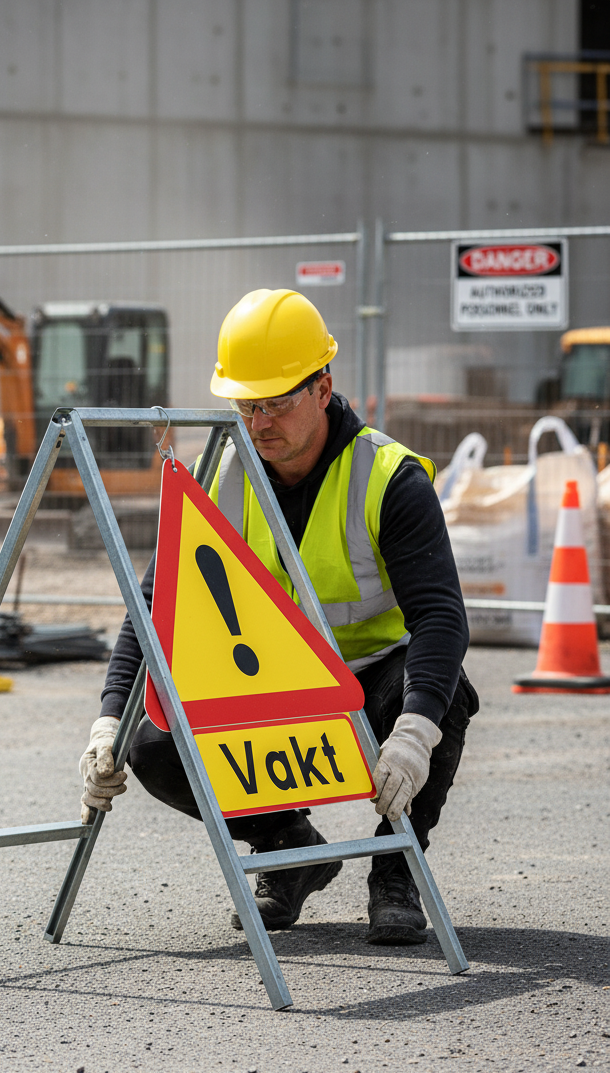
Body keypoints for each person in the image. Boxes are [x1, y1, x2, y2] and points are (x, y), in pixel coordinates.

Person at [79, 288, 478, 945]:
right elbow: (153, 606)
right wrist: (107, 721)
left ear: (323, 388)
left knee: (443, 695)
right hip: (271, 683)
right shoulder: (221, 474)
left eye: (276, 402)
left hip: (370, 678)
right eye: (246, 404)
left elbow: (441, 615)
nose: (259, 422)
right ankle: (290, 848)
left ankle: (396, 869)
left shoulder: (387, 477)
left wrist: (414, 735)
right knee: (152, 744)